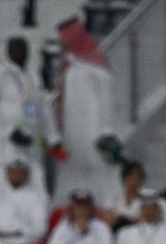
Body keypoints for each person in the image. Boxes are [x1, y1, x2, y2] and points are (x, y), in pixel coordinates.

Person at [52, 18, 117, 205]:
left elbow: (105, 100)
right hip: (71, 131)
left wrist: (105, 130)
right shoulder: (68, 64)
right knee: (71, 170)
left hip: (93, 127)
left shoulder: (96, 65)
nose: (62, 42)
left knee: (96, 169)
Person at [0, 36, 55, 181]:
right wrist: (9, 130)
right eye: (15, 48)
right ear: (8, 52)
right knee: (7, 182)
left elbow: (38, 106)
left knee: (34, 180)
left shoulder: (33, 76)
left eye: (23, 48)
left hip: (30, 139)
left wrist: (51, 136)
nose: (20, 52)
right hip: (7, 141)